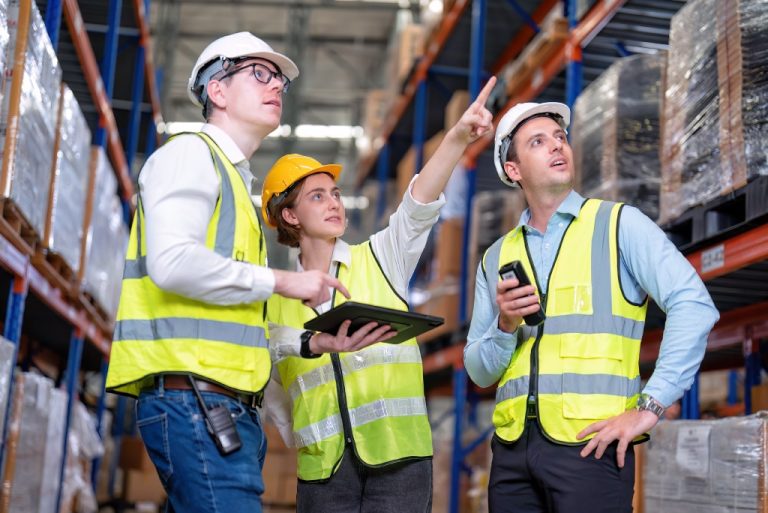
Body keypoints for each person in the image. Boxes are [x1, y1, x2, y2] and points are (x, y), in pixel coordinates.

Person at [105, 32, 348, 513]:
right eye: (260, 73)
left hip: (224, 409)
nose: (276, 84)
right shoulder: (190, 156)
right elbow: (171, 263)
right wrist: (284, 281)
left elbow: (237, 321)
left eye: (279, 78)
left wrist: (308, 343)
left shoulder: (236, 184)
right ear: (216, 90)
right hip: (196, 403)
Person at [464, 101, 719, 512]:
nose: (557, 147)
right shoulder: (496, 257)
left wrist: (649, 407)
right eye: (538, 141)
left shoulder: (620, 225)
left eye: (560, 138)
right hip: (512, 456)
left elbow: (694, 304)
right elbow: (479, 371)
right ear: (514, 170)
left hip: (592, 447)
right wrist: (505, 324)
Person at [261, 78, 497, 513]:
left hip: (399, 460)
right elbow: (272, 394)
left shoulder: (381, 258)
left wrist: (458, 137)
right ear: (290, 215)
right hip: (323, 471)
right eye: (318, 196)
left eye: (335, 193)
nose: (334, 203)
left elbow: (418, 204)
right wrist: (305, 441)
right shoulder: (273, 298)